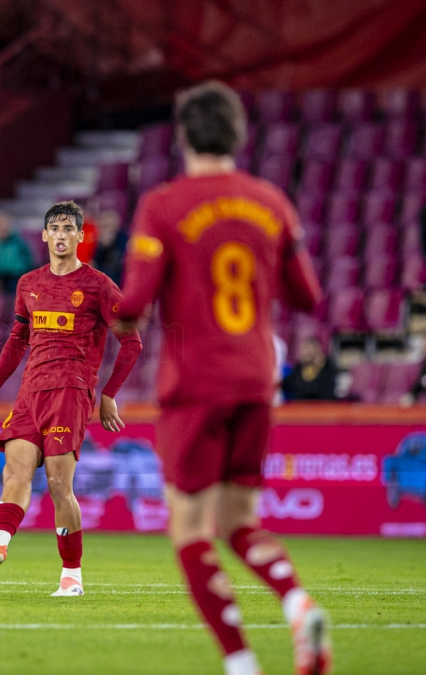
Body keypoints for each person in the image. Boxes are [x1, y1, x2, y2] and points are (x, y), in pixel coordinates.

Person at [115, 82, 330, 675]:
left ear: (183, 136)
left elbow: (134, 300)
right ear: (237, 135)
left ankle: (240, 663)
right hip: (257, 379)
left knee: (190, 531)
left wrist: (111, 313)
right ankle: (296, 600)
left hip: (196, 383)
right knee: (240, 524)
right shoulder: (270, 201)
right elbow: (308, 296)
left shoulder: (163, 204)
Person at [0, 200, 142, 597]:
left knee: (57, 484)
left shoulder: (98, 285)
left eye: (70, 229)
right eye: (56, 228)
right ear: (45, 235)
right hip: (31, 392)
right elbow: (18, 340)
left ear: (80, 236)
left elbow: (132, 341)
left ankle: (72, 576)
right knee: (14, 472)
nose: (62, 235)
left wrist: (108, 395)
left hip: (71, 393)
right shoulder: (29, 283)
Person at [281, 337, 340, 401]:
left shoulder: (327, 368)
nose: (308, 352)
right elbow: (285, 384)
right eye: (305, 348)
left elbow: (324, 393)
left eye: (312, 348)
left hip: (322, 406)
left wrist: (320, 365)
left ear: (319, 350)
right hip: (300, 406)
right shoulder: (298, 369)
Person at [91, 210, 129, 286]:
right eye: (104, 226)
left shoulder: (124, 242)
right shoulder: (94, 243)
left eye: (111, 226)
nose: (108, 230)